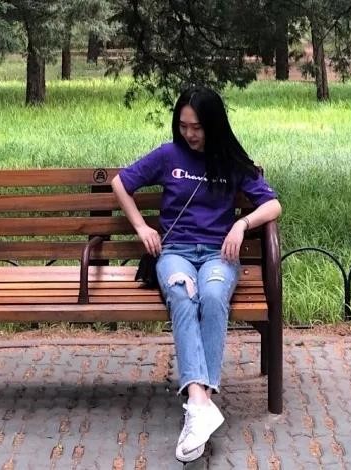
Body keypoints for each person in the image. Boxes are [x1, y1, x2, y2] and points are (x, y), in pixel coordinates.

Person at [111, 85, 281, 462]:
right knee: (182, 295)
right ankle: (200, 401)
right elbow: (120, 183)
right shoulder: (168, 155)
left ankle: (199, 406)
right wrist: (141, 227)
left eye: (198, 127)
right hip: (175, 253)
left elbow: (273, 205)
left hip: (219, 254)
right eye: (184, 125)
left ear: (214, 125)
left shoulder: (229, 161)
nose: (190, 134)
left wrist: (241, 225)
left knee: (214, 296)